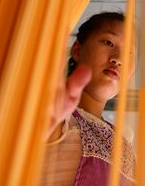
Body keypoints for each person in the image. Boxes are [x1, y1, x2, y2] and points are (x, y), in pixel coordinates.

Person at [42, 12, 136, 185]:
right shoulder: (58, 118)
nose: (118, 59)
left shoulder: (126, 143)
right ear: (77, 50)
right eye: (109, 42)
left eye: (129, 53)